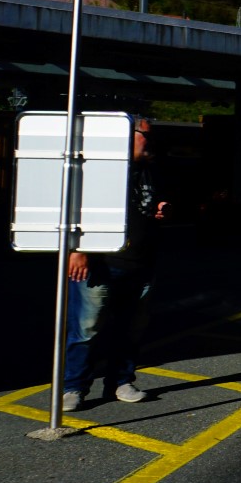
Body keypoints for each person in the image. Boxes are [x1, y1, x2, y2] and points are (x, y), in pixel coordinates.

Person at [62, 116, 166, 411]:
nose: (151, 142)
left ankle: (120, 382)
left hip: (141, 264)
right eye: (146, 135)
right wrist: (77, 249)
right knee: (86, 329)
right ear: (126, 134)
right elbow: (75, 207)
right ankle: (74, 388)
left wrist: (161, 209)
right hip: (101, 263)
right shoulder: (100, 168)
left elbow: (151, 205)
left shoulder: (150, 171)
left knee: (130, 328)